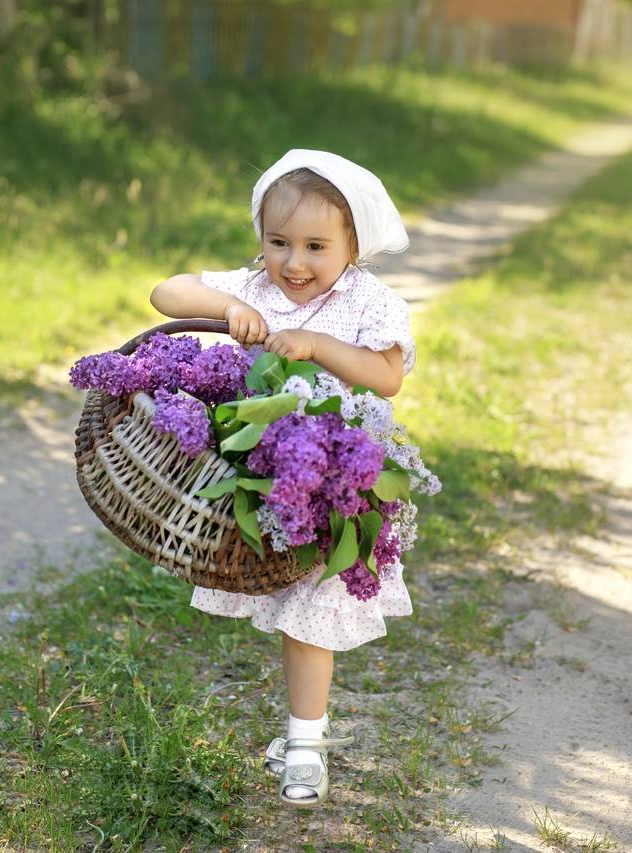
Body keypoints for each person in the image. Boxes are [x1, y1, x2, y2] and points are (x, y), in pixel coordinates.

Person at [149, 149, 416, 807]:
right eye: (279, 242)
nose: (295, 263)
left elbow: (386, 376)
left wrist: (319, 344)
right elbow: (166, 293)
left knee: (311, 616)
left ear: (354, 246)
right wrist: (227, 307)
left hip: (336, 488)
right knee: (287, 608)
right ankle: (302, 730)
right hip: (265, 484)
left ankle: (305, 744)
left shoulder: (367, 301)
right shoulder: (259, 288)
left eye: (316, 246)